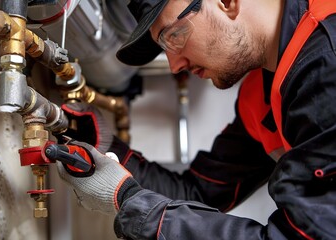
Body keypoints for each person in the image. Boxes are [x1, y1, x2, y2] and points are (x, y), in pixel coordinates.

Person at [56, 0, 336, 239]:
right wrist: (105, 148)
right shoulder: (261, 95)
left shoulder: (326, 64)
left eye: (173, 36)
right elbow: (199, 192)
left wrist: (133, 205)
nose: (176, 65)